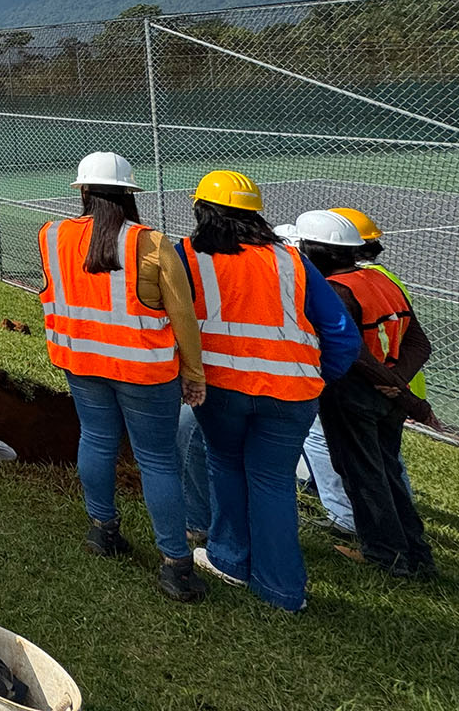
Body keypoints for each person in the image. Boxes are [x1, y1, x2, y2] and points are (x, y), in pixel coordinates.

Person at [181, 171, 359, 612]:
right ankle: (282, 590)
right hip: (291, 393)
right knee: (273, 481)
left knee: (225, 466)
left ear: (201, 209)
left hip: (220, 389)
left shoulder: (190, 255)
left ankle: (230, 558)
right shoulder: (291, 260)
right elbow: (342, 334)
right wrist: (318, 378)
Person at [38, 151, 208, 602]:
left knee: (95, 440)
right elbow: (183, 316)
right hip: (144, 372)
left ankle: (102, 530)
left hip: (81, 362)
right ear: (130, 195)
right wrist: (194, 373)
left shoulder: (52, 236)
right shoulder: (150, 244)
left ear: (84, 192)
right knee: (157, 460)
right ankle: (175, 564)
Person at [300, 209, 437, 578]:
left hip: (352, 395)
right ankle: (417, 553)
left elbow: (351, 352)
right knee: (388, 471)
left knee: (363, 475)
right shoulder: (380, 280)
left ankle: (386, 557)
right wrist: (397, 383)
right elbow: (419, 343)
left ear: (318, 252)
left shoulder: (334, 291)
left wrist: (389, 384)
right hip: (387, 396)